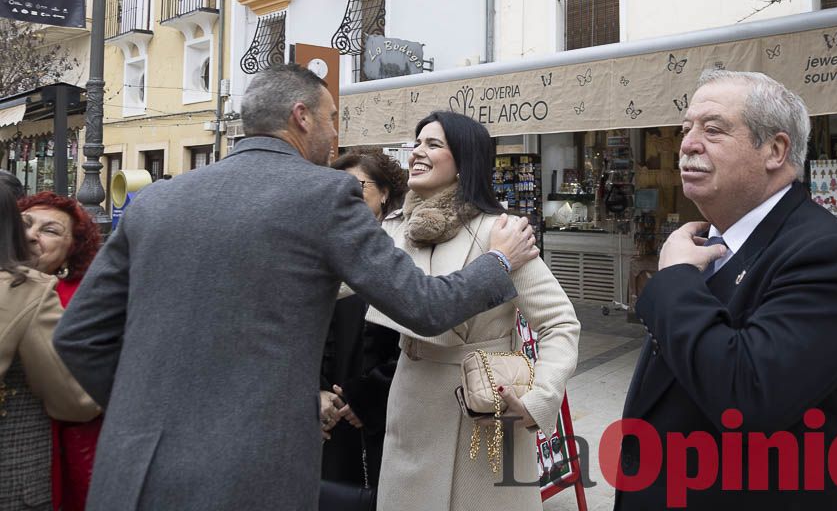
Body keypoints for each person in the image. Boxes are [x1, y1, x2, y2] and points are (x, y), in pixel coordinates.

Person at [53, 64, 540, 511]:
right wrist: (498, 261)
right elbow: (425, 306)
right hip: (251, 475)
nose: (335, 133)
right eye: (332, 118)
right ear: (301, 116)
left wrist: (150, 412)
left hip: (130, 470)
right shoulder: (325, 195)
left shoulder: (158, 199)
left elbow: (77, 337)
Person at [616, 69, 837, 511]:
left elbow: (748, 397)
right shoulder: (708, 243)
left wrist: (676, 279)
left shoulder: (829, 252)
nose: (688, 143)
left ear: (775, 150)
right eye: (686, 129)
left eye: (713, 129)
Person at [372, 111, 580, 511]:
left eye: (433, 144)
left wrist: (540, 397)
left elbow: (559, 323)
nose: (417, 152)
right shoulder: (395, 229)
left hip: (483, 410)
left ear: (465, 161)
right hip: (410, 400)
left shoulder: (499, 232)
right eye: (416, 143)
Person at [0, 182, 100, 511]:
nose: (31, 236)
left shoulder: (87, 307)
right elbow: (77, 401)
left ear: (70, 253)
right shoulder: (27, 290)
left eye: (50, 231)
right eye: (24, 223)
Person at [320, 148, 407, 498]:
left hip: (378, 410)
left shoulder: (401, 253)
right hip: (325, 409)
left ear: (384, 193)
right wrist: (318, 390)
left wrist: (366, 398)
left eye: (358, 185)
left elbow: (409, 343)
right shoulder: (320, 251)